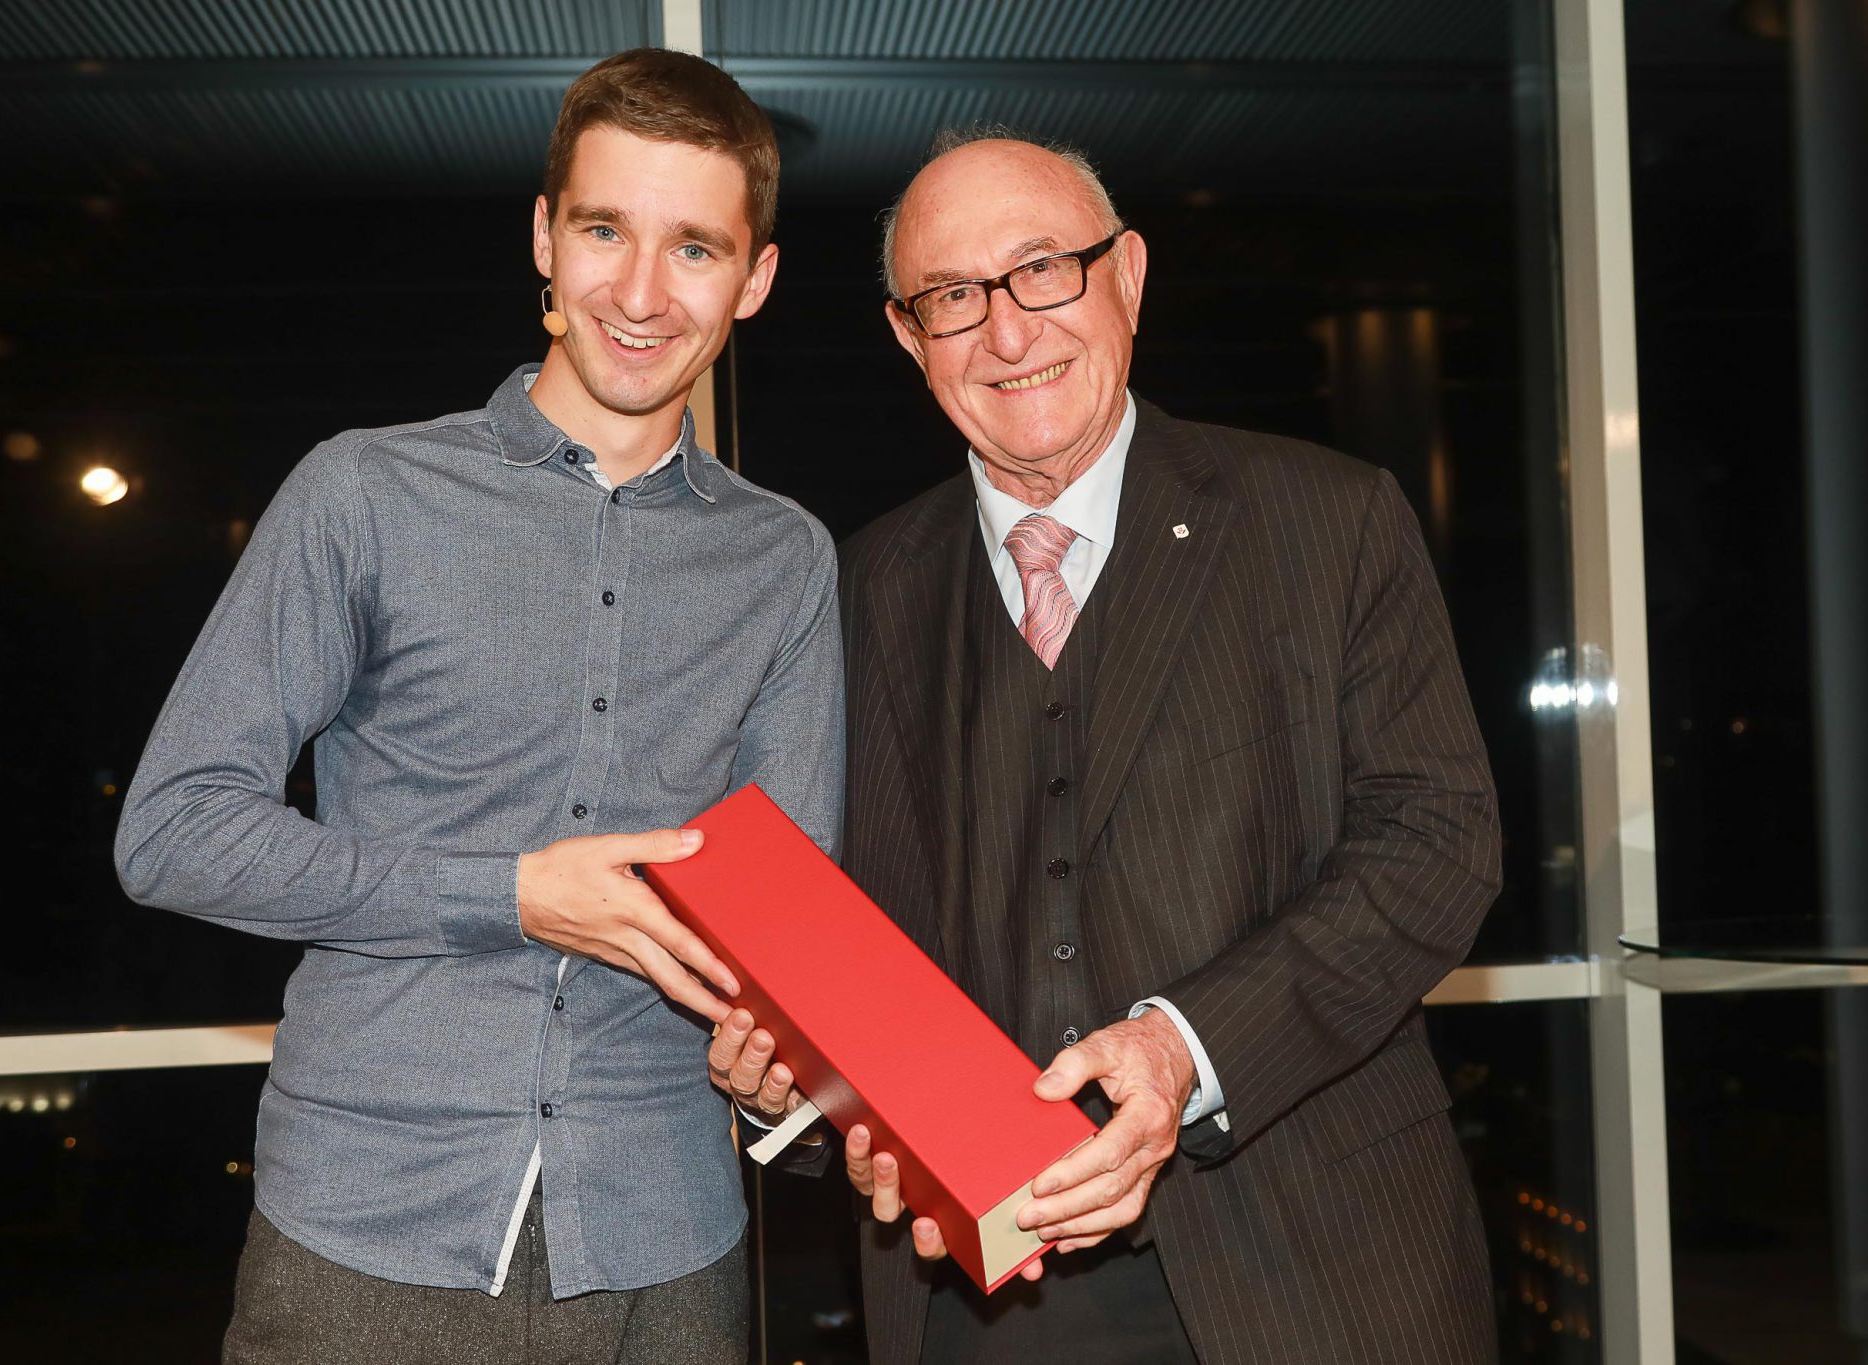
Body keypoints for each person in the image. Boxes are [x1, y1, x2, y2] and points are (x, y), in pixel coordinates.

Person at [113, 48, 843, 1365]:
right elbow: (172, 828)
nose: (638, 290)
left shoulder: (785, 561)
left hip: (665, 1244)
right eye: (605, 229)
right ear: (543, 240)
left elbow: (789, 924)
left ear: (757, 279)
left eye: (694, 248)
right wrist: (508, 892)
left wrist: (779, 1050)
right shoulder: (363, 495)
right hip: (366, 1230)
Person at [824, 128, 1499, 1363]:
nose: (1007, 333)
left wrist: (1179, 1050)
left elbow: (1437, 844)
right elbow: (845, 930)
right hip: (977, 1288)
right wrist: (832, 1091)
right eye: (952, 298)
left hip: (1321, 1260)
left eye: (1042, 270)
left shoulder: (1328, 521)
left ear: (1126, 275)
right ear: (906, 337)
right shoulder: (853, 591)